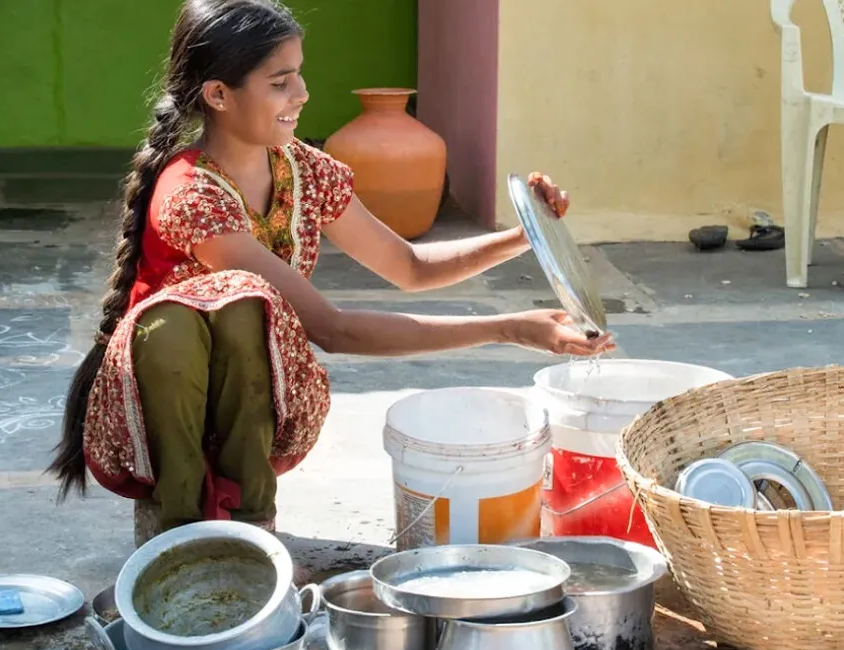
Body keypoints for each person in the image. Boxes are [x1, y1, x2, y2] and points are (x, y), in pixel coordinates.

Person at [47, 0, 613, 548]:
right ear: (218, 95)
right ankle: (181, 523)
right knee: (235, 304)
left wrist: (530, 233)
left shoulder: (304, 171)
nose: (302, 93)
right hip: (160, 410)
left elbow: (410, 266)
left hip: (257, 397)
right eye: (280, 82)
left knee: (250, 311)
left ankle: (250, 523)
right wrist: (509, 328)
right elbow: (333, 329)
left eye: (299, 74)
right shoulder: (192, 195)